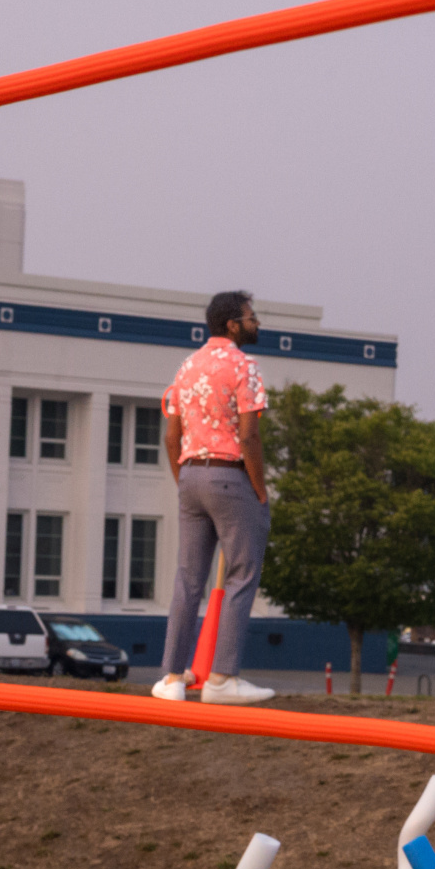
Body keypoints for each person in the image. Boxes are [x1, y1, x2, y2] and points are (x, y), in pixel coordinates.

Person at [154, 290, 276, 705]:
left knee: (188, 578)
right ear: (232, 324)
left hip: (191, 476)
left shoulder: (186, 367)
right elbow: (249, 435)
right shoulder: (245, 366)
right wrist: (260, 490)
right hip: (230, 477)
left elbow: (171, 436)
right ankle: (222, 679)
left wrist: (184, 481)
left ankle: (173, 678)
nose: (256, 323)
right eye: (251, 317)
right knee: (242, 574)